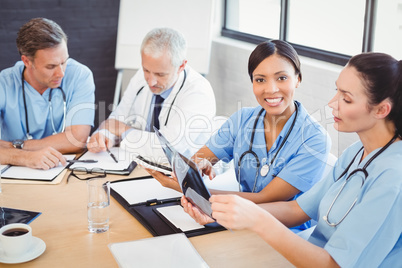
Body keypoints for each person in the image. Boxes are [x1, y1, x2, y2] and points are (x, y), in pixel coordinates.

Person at [185, 52, 402, 267]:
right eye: (336, 91)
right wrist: (221, 213)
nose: (332, 103)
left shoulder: (393, 177)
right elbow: (297, 210)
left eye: (346, 98)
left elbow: (333, 265)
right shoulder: (357, 152)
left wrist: (257, 220)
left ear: (382, 109)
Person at [147, 40, 331, 232]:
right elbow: (197, 160)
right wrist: (198, 166)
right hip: (236, 221)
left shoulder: (314, 139)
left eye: (281, 78)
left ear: (298, 79)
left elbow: (266, 199)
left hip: (286, 235)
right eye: (260, 80)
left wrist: (188, 190)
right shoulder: (242, 120)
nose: (271, 89)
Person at [87, 27, 216, 162]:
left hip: (179, 172)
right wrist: (105, 136)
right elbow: (118, 118)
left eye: (161, 74)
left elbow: (167, 150)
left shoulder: (198, 93)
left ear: (181, 66)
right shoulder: (141, 77)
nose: (151, 81)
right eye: (146, 70)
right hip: (141, 163)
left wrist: (123, 130)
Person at [0, 18, 95, 170]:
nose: (61, 73)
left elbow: (77, 139)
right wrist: (26, 157)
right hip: (14, 171)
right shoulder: (4, 83)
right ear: (27, 61)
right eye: (51, 66)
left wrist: (14, 146)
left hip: (61, 168)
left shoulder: (80, 75)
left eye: (64, 62)